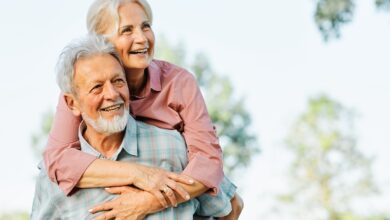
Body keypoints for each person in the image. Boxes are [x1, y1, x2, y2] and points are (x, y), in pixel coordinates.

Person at [43, 0, 243, 218]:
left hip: (181, 170)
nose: (142, 38)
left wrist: (149, 202)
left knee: (232, 202)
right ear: (101, 40)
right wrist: (140, 175)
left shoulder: (178, 82)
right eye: (127, 30)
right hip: (137, 170)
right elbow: (58, 160)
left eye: (146, 26)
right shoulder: (82, 89)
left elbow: (208, 163)